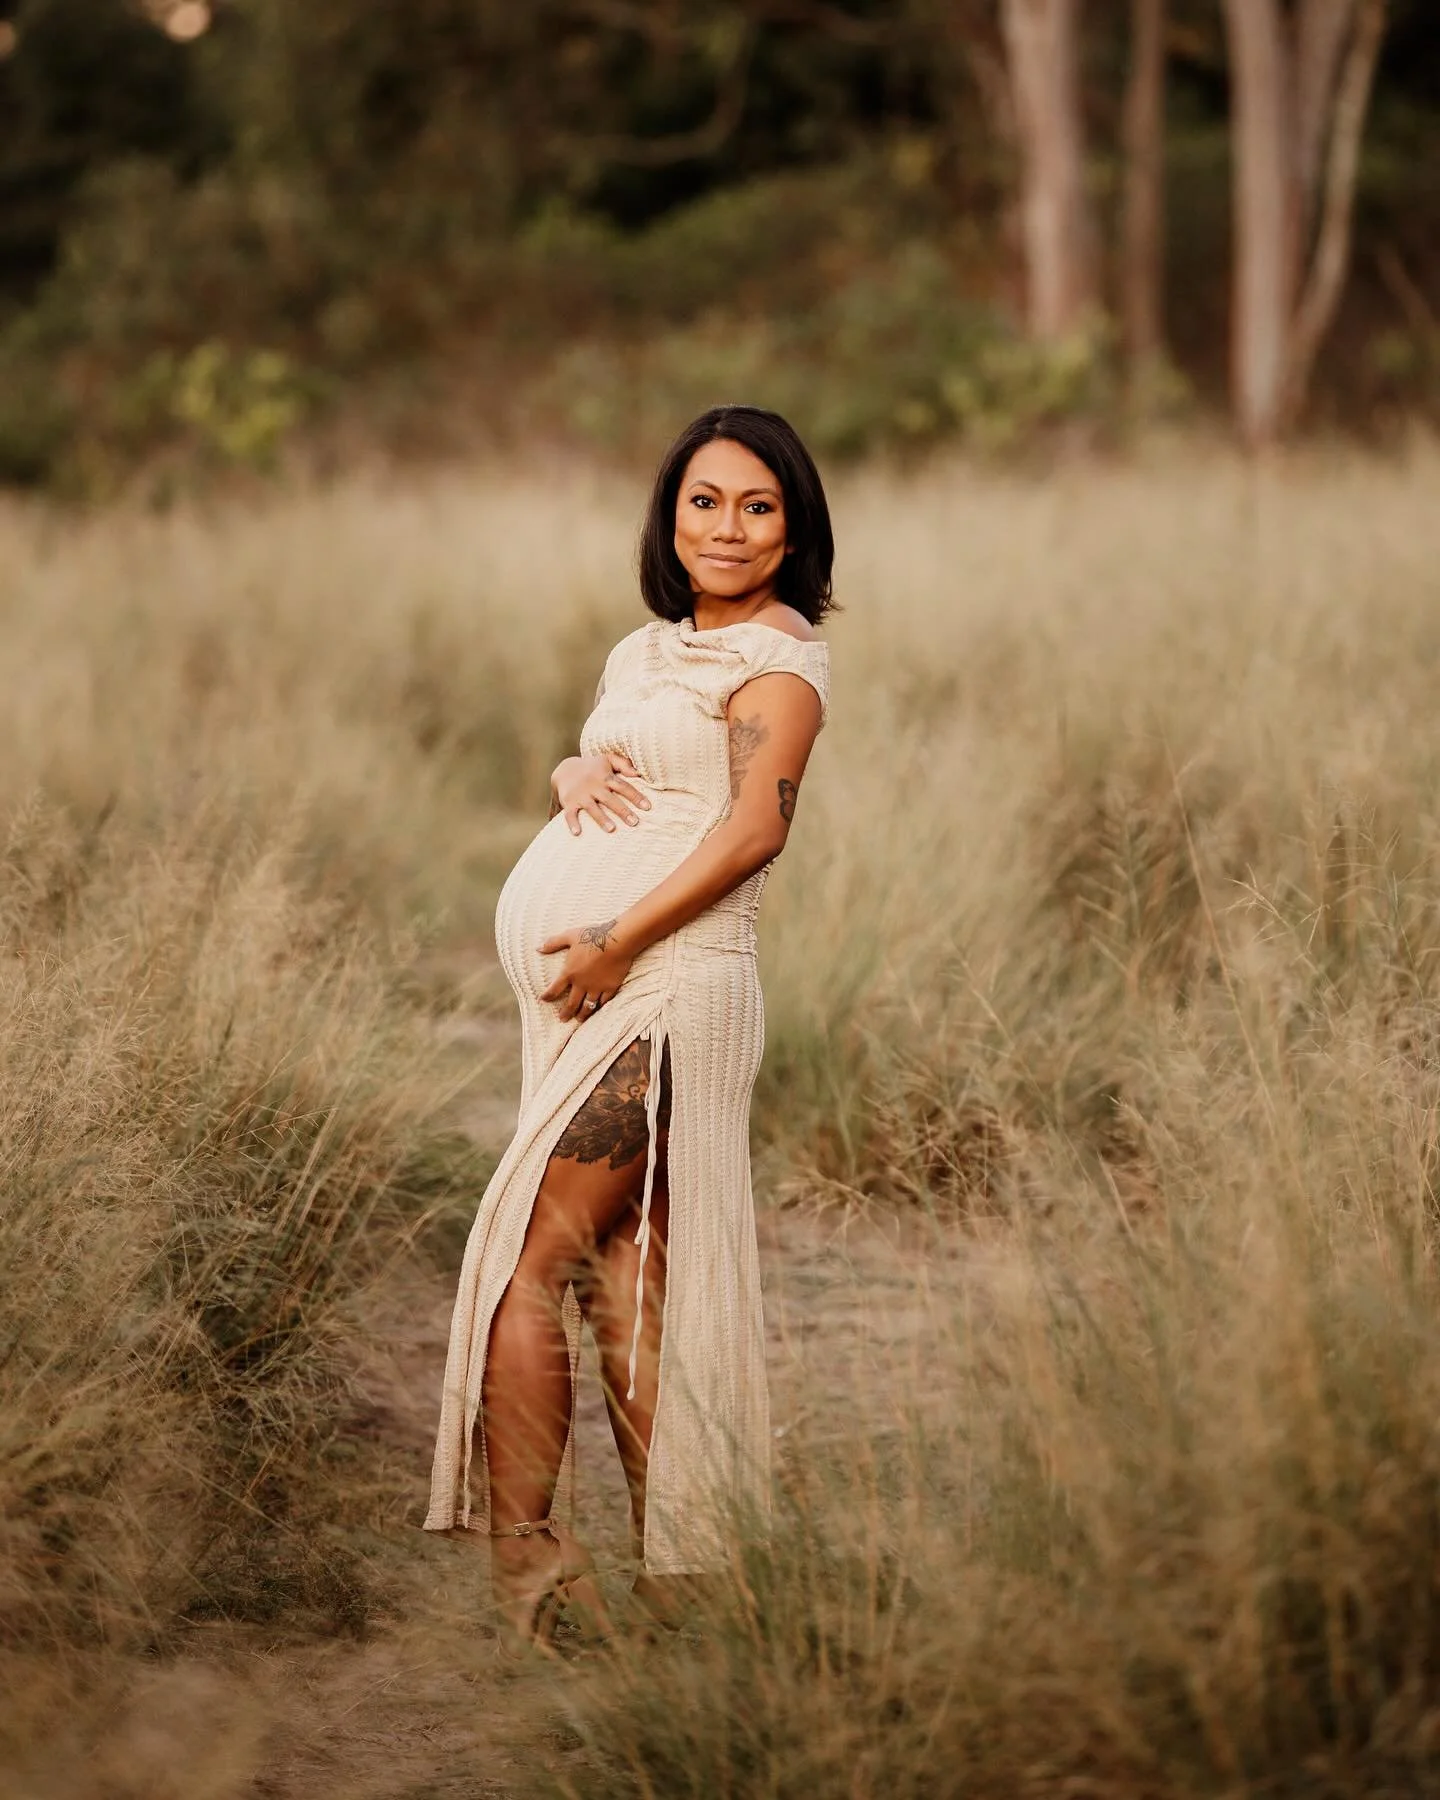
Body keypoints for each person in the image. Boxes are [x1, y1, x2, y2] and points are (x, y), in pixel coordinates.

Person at [423, 403, 834, 1656]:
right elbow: (631, 770)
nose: (729, 527)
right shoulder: (644, 650)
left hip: (667, 990)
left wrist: (613, 941)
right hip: (601, 1000)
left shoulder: (780, 661)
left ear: (793, 531)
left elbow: (753, 830)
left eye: (758, 506)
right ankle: (684, 1573)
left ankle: (531, 1569)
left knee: (528, 1263)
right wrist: (569, 774)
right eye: (706, 501)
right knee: (627, 1273)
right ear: (670, 515)